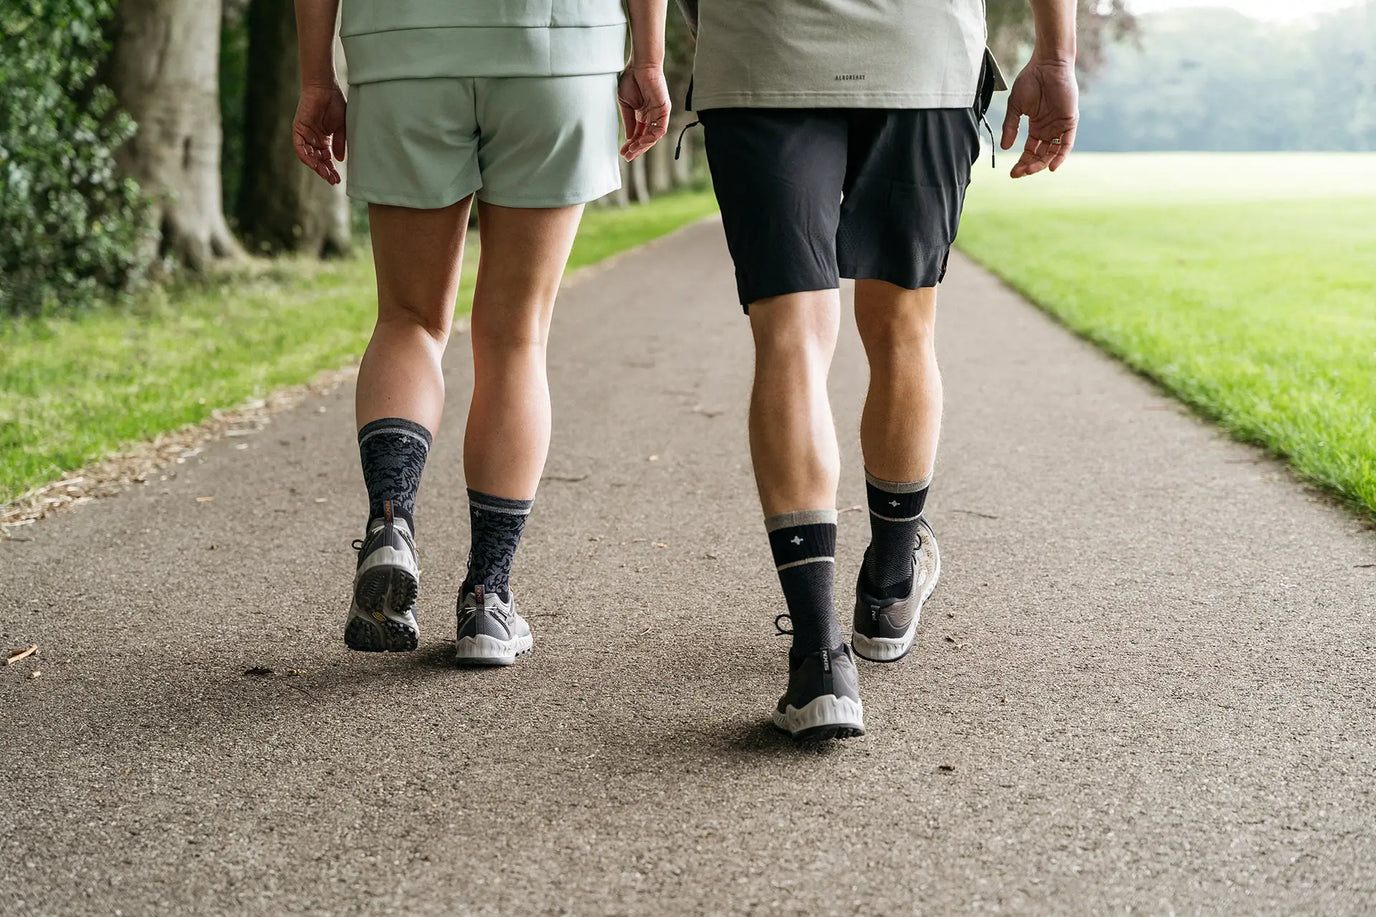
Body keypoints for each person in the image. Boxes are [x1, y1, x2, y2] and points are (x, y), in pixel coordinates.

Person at [688, 0, 1079, 738]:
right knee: (904, 327)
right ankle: (891, 588)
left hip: (762, 54)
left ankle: (818, 660)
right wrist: (1056, 56)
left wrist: (654, 53)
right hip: (919, 54)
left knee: (790, 339)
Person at [292, 0, 671, 663]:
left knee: (408, 320)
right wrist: (649, 59)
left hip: (404, 49)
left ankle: (391, 523)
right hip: (559, 49)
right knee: (516, 336)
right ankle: (487, 603)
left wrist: (318, 78)